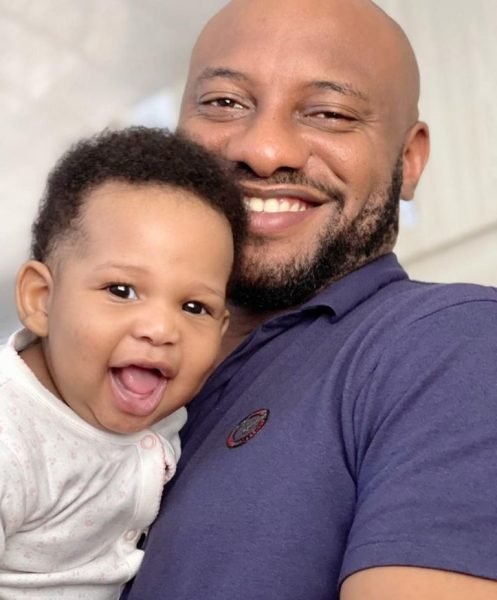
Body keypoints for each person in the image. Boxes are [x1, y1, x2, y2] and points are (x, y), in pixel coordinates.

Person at [123, 1, 497, 599]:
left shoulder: (453, 347)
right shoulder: (117, 365)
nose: (264, 150)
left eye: (329, 113)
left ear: (408, 160)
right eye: (224, 102)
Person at [0, 126, 246, 599]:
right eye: (122, 291)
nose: (161, 329)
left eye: (194, 307)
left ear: (220, 332)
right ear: (42, 300)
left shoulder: (171, 413)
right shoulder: (11, 438)